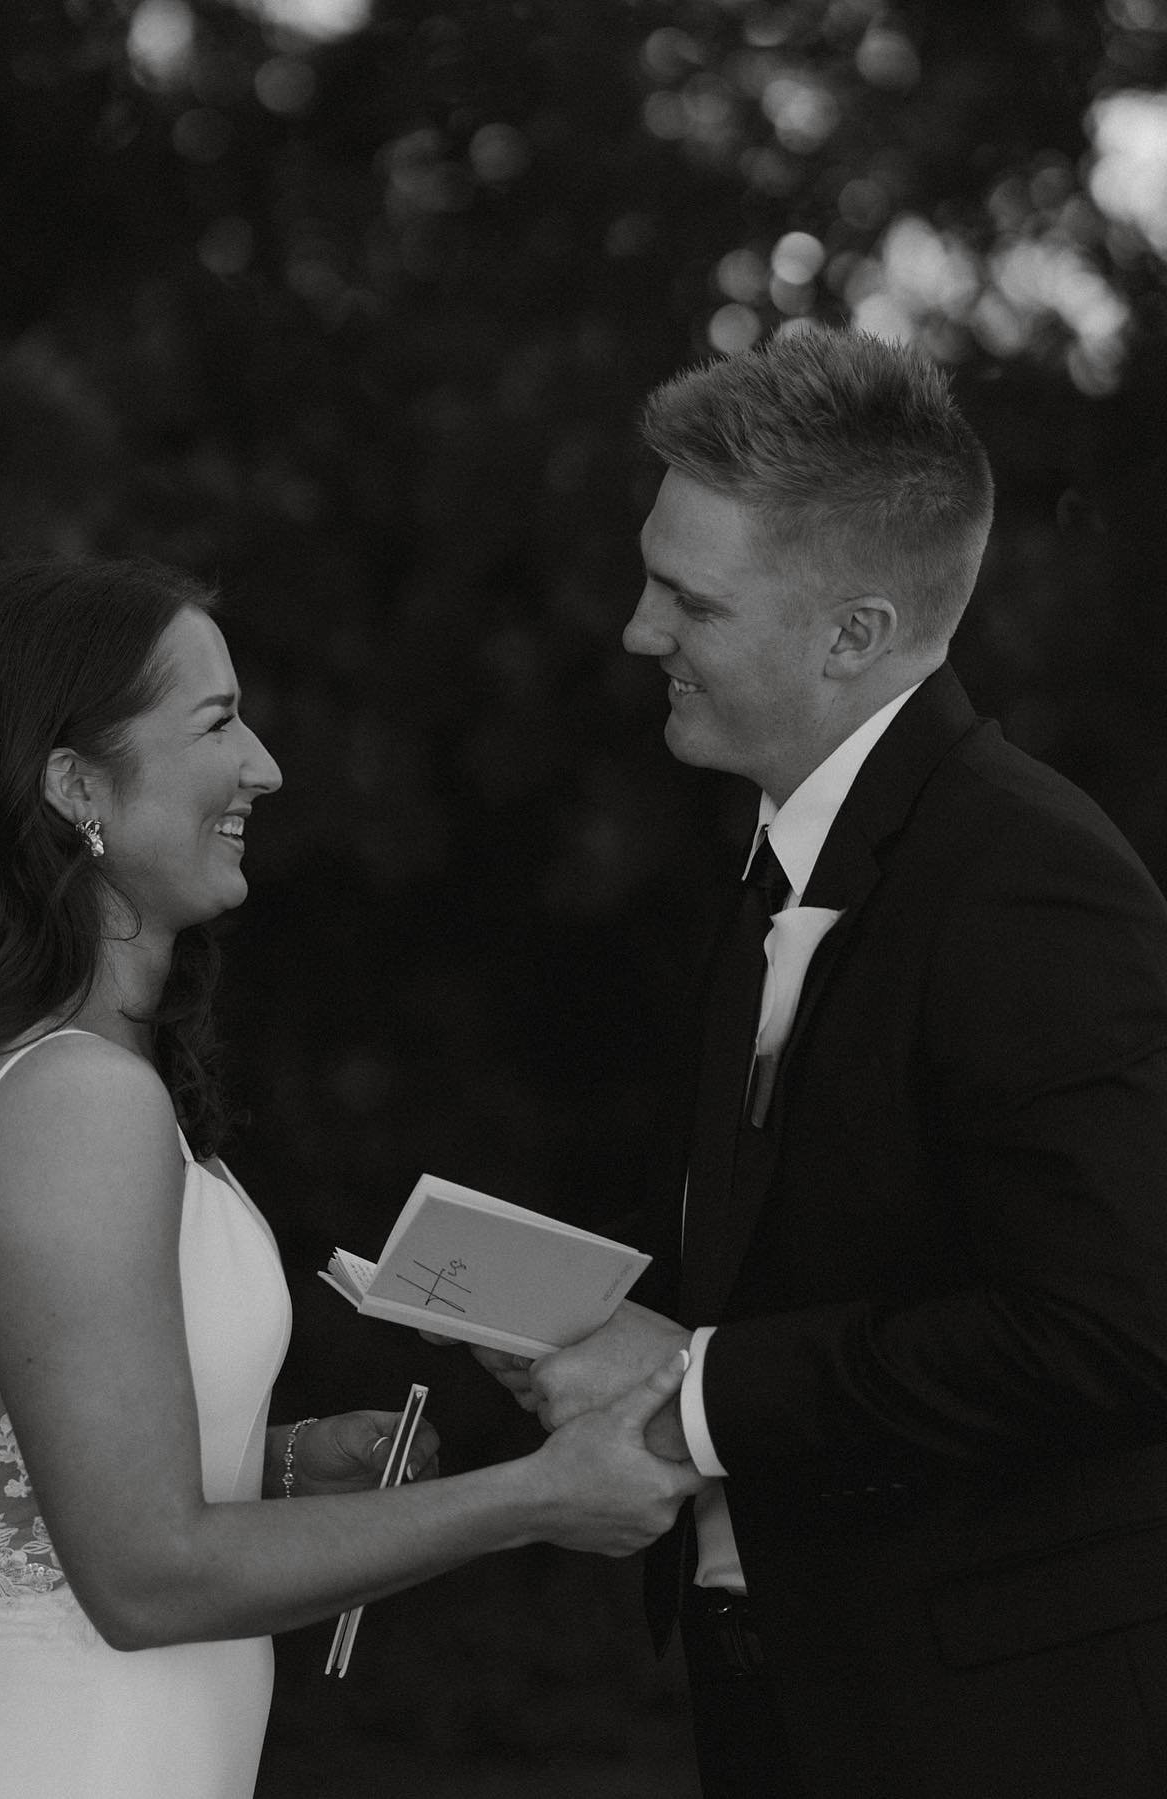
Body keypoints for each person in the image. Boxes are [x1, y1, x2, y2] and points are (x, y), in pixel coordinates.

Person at [0, 556, 700, 1799]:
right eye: (217, 722)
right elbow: (143, 1574)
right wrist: (537, 1494)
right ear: (72, 783)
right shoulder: (75, 1099)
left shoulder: (77, 1079)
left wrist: (279, 1464)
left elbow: (58, 1480)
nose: (265, 765)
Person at [474, 327, 1167, 1797]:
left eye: (687, 596)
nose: (636, 629)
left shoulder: (1028, 880)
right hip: (793, 1689)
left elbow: (1116, 1326)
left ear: (851, 634)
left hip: (993, 1729)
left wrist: (693, 1384)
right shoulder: (785, 861)